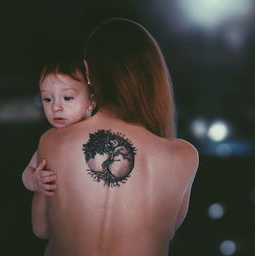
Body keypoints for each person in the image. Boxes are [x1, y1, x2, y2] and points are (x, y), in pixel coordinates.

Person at [32, 18, 199, 255]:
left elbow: (41, 228)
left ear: (88, 71)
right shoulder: (183, 156)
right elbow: (166, 229)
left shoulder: (53, 141)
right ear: (153, 75)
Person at [22, 60, 96, 196]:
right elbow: (28, 170)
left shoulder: (98, 135)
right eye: (47, 99)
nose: (55, 107)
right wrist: (34, 180)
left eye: (67, 98)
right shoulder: (49, 140)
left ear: (91, 102)